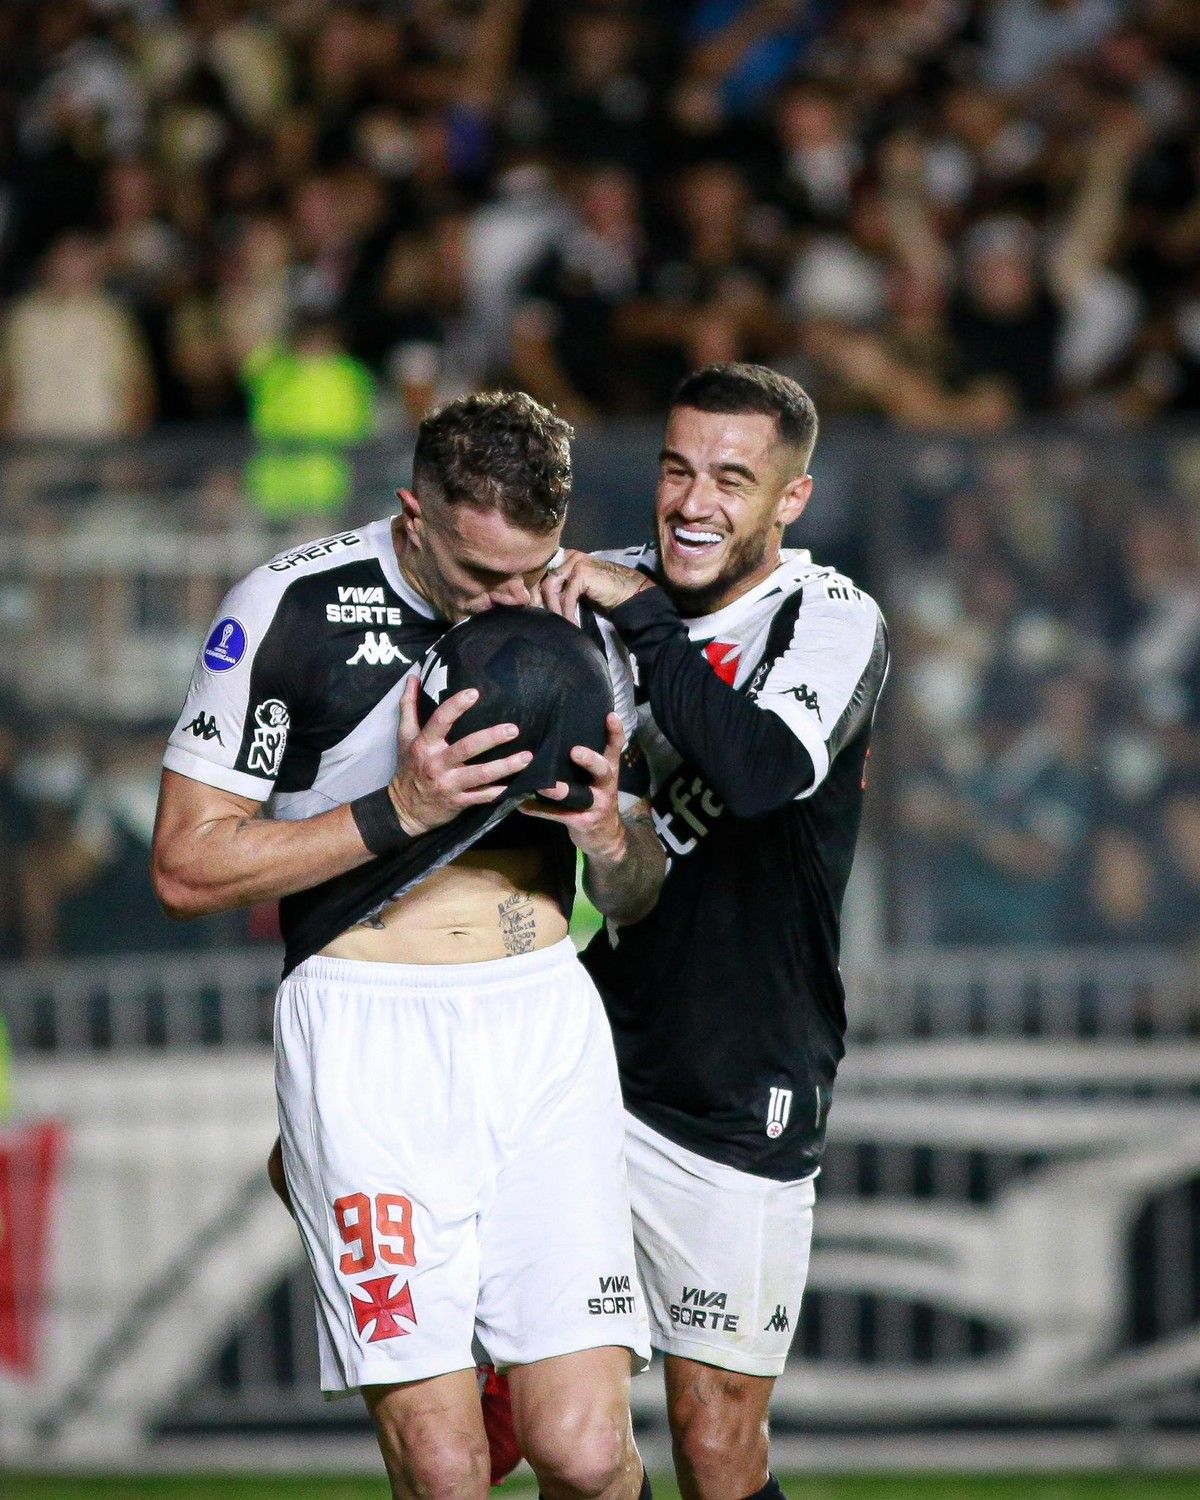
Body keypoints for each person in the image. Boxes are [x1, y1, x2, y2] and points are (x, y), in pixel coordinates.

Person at [151, 391, 664, 1500]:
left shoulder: (582, 616)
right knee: (445, 1469)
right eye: (482, 581)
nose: (513, 603)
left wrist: (608, 834)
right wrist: (399, 813)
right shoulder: (290, 606)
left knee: (584, 1451)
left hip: (539, 1023)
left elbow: (639, 892)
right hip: (365, 1038)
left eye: (532, 568)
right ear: (413, 516)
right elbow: (185, 866)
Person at [533, 362, 889, 1500]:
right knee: (572, 1437)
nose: (693, 501)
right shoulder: (599, 589)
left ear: (792, 498)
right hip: (588, 1048)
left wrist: (636, 618)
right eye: (678, 468)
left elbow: (755, 770)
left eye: (733, 479)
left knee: (716, 1437)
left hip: (747, 1066)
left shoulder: (829, 619)